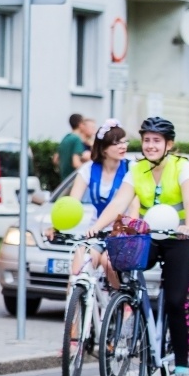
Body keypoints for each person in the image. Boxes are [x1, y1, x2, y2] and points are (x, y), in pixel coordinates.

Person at [88, 117, 189, 376]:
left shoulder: (182, 166)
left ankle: (182, 373)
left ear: (169, 144)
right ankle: (131, 311)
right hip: (150, 237)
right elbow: (118, 202)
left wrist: (188, 225)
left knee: (176, 302)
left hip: (181, 239)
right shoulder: (135, 170)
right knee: (121, 261)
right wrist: (97, 227)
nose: (150, 146)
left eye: (156, 141)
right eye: (147, 140)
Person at [45, 118, 137, 286]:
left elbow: (133, 207)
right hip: (96, 231)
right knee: (77, 269)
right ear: (103, 149)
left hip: (122, 232)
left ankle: (120, 303)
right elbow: (72, 203)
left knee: (108, 263)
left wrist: (130, 229)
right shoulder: (88, 169)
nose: (122, 146)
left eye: (124, 142)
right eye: (116, 143)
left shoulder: (131, 169)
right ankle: (74, 309)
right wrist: (56, 227)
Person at [54, 113, 90, 181]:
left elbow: (55, 159)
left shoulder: (65, 138)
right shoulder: (76, 139)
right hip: (73, 180)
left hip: (64, 180)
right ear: (80, 125)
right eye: (84, 124)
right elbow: (76, 163)